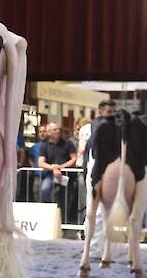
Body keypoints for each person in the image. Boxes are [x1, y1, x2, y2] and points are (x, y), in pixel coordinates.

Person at [83, 100, 118, 258]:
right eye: (109, 112)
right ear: (100, 111)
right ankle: (94, 249)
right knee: (95, 213)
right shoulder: (97, 125)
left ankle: (102, 249)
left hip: (106, 172)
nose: (113, 115)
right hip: (96, 171)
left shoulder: (112, 128)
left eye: (113, 112)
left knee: (106, 212)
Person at [38, 122, 78, 209]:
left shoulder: (68, 143)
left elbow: (74, 159)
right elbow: (41, 162)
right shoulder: (44, 146)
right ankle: (48, 212)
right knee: (45, 189)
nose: (58, 131)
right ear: (48, 132)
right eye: (55, 129)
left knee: (65, 198)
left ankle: (63, 218)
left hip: (66, 176)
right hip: (51, 175)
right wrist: (53, 168)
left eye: (58, 129)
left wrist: (61, 167)